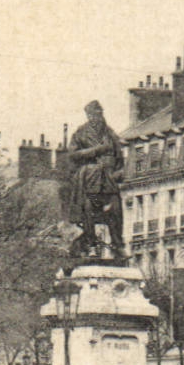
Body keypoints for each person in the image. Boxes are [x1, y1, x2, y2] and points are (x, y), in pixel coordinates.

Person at [60, 100, 125, 260]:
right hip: (90, 180)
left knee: (116, 209)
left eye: (100, 113)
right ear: (88, 115)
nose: (98, 116)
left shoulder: (110, 134)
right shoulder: (80, 133)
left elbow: (120, 158)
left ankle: (118, 245)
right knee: (89, 209)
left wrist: (119, 173)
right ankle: (91, 245)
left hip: (108, 180)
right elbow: (73, 155)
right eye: (94, 114)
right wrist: (97, 150)